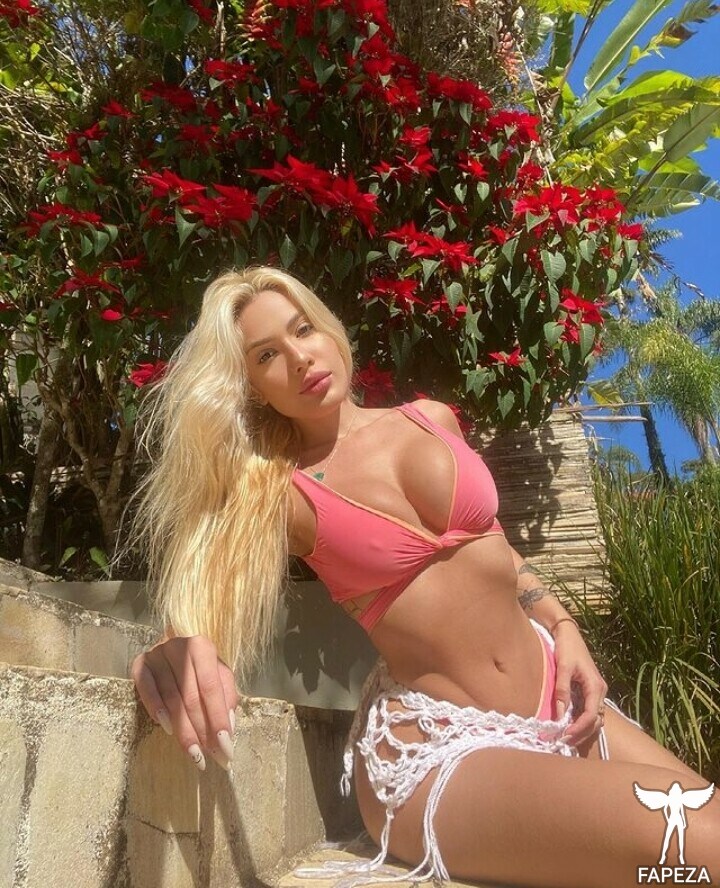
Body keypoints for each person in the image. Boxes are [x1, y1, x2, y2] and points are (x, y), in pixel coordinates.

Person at [128, 266, 720, 888]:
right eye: (266, 356)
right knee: (702, 842)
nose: (300, 358)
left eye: (302, 330)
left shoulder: (432, 418)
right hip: (439, 747)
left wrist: (564, 627)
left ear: (328, 331)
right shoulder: (279, 493)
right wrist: (173, 647)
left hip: (555, 697)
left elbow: (495, 547)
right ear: (252, 389)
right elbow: (204, 588)